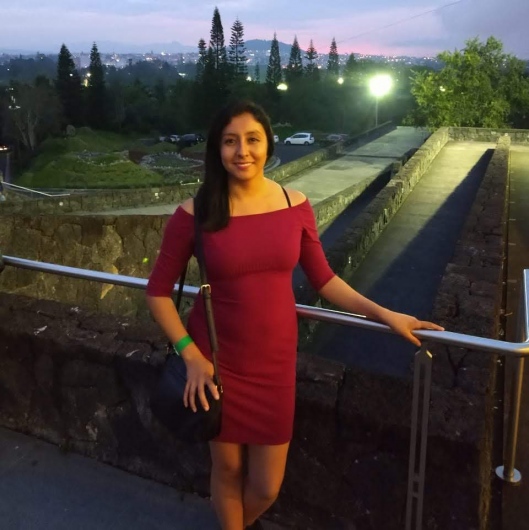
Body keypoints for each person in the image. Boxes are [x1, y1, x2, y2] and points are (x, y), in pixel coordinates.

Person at [146, 100, 443, 530]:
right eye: (230, 141)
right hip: (216, 363)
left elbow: (324, 279)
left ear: (268, 144)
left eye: (252, 139)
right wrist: (191, 355)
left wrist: (385, 314)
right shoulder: (195, 214)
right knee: (227, 469)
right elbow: (157, 292)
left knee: (267, 486)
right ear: (217, 149)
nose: (242, 151)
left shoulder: (294, 204)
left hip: (275, 365)